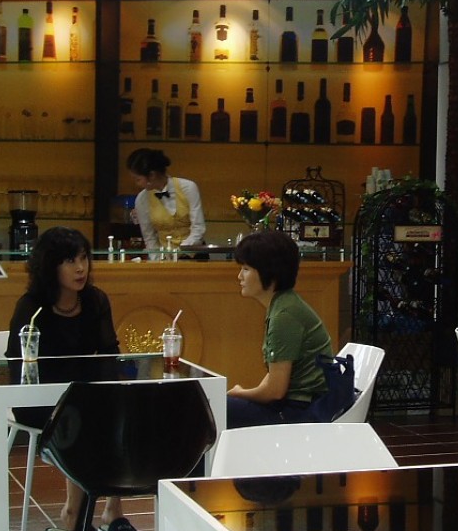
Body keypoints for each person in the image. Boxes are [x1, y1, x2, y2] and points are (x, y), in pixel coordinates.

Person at [4, 227, 139, 531]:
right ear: (50, 266)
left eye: (83, 259)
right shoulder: (31, 307)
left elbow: (108, 354)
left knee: (123, 413)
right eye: (69, 261)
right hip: (38, 400)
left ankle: (113, 510)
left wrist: (116, 392)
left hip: (83, 395)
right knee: (85, 416)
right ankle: (73, 514)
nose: (80, 268)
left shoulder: (95, 300)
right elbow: (17, 364)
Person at [226, 231, 334, 428]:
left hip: (300, 411)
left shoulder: (284, 315)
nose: (239, 276)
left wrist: (240, 393)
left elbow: (275, 391)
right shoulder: (283, 305)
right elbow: (274, 377)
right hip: (298, 404)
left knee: (214, 408)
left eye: (246, 269)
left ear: (270, 273)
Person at [127, 147, 206, 251]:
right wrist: (158, 258)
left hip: (195, 252)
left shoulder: (188, 188)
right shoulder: (142, 199)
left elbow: (198, 228)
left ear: (152, 175)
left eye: (138, 179)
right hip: (165, 256)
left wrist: (181, 251)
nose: (136, 184)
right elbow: (150, 238)